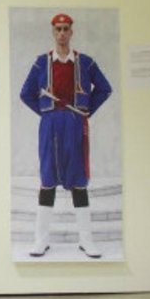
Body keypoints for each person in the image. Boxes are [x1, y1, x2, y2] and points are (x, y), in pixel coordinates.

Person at [19, 13, 112, 258]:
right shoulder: (42, 62)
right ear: (53, 32)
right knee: (47, 178)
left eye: (65, 29)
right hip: (50, 125)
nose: (61, 33)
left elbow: (104, 88)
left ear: (71, 32)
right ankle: (41, 241)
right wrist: (45, 111)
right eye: (58, 29)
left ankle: (86, 241)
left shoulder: (85, 62)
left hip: (75, 123)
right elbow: (25, 93)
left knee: (78, 179)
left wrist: (86, 109)